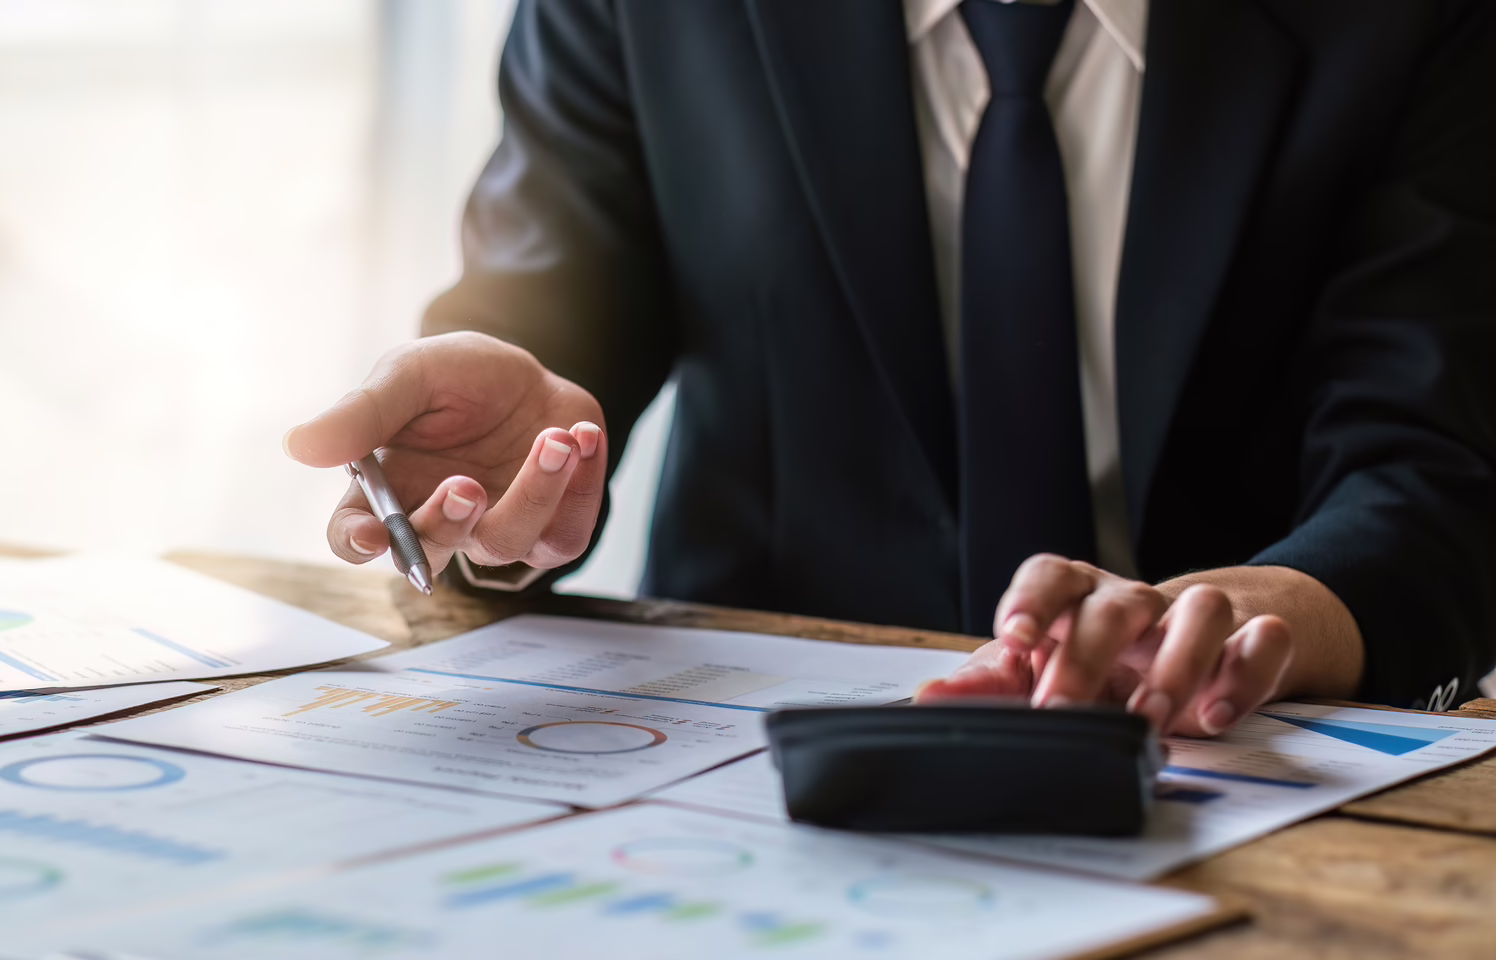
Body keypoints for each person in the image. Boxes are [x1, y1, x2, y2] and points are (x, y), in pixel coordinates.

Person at [285, 0, 1496, 734]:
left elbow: (1439, 457)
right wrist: (506, 467)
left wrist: (1285, 607)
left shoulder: (1417, 24)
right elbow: (556, 288)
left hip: (1227, 754)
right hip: (743, 748)